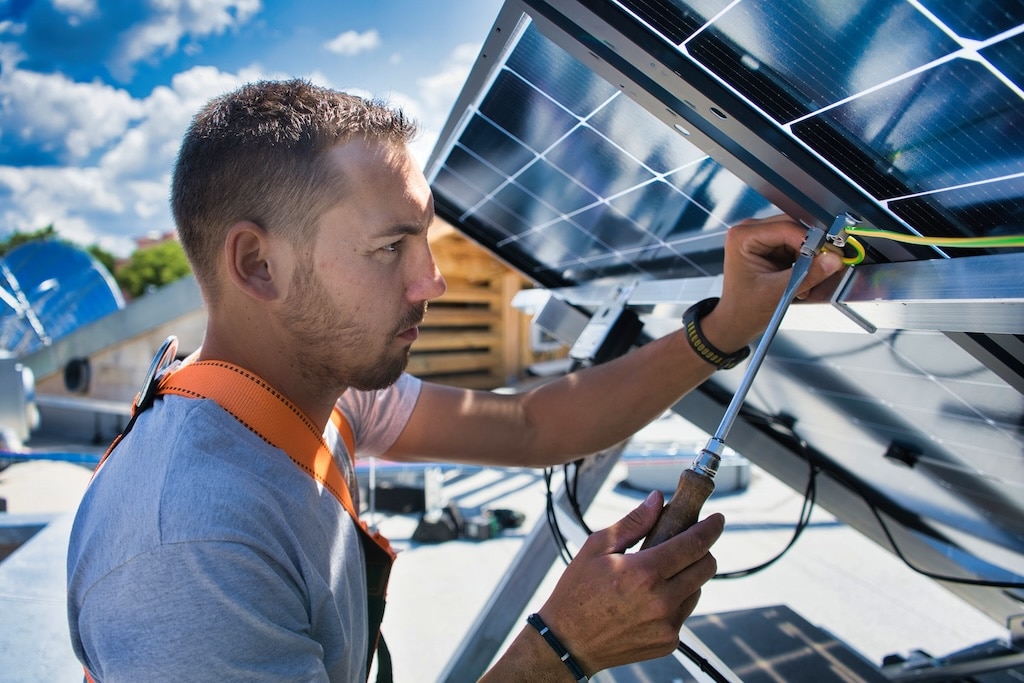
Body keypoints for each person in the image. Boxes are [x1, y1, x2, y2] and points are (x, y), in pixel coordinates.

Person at [66, 79, 843, 682]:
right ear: (258, 265)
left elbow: (534, 426)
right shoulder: (190, 551)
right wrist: (563, 649)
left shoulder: (314, 389)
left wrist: (728, 324)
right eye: (391, 247)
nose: (432, 280)